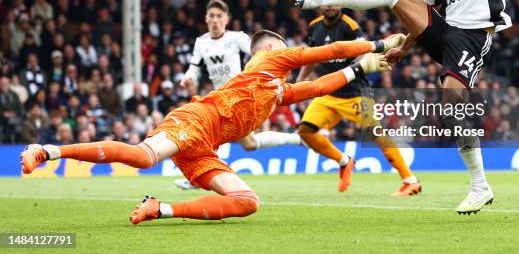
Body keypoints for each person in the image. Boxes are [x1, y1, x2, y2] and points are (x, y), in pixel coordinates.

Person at [21, 30, 404, 224]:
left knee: (247, 203)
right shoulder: (267, 63)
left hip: (205, 147)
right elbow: (330, 52)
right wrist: (374, 44)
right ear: (271, 49)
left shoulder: (277, 90)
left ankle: (160, 209)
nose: (291, 55)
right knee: (142, 157)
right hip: (195, 120)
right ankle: (47, 151)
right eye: (284, 49)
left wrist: (362, 68)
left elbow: (320, 86)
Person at [292, 0, 513, 214]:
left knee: (451, 103)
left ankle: (480, 185)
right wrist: (404, 50)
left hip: (473, 36)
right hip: (447, 32)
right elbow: (422, 18)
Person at [296, 0, 420, 196]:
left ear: (341, 4)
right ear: (320, 4)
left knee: (376, 133)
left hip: (355, 92)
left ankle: (410, 180)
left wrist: (354, 67)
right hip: (329, 94)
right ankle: (344, 161)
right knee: (306, 132)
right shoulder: (314, 27)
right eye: (327, 2)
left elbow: (363, 53)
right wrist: (299, 85)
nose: (330, 6)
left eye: (334, 1)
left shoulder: (350, 26)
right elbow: (310, 60)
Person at [175, 0, 303, 190]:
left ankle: (201, 175)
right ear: (206, 18)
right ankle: (298, 138)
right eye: (212, 16)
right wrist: (188, 78)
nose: (215, 20)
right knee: (249, 144)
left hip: (240, 96)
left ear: (226, 19)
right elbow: (194, 67)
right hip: (220, 97)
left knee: (209, 135)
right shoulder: (201, 43)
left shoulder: (237, 38)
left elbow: (259, 53)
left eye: (219, 16)